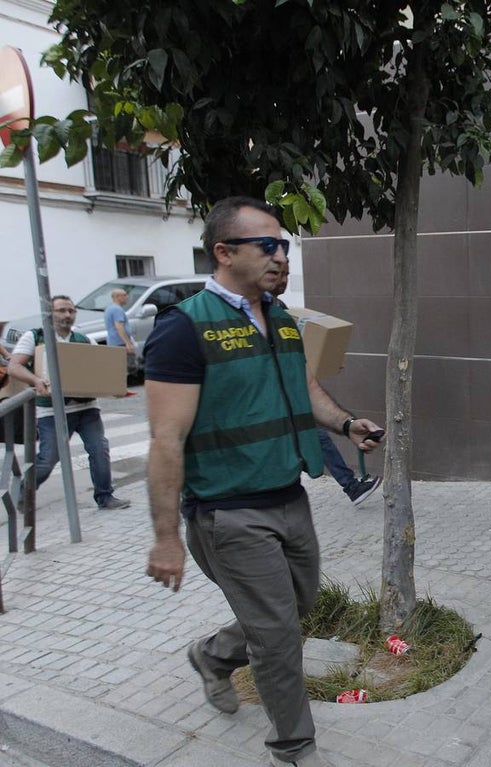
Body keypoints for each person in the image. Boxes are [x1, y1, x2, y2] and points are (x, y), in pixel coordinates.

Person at [142, 196, 384, 767]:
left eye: (285, 247)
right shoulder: (182, 330)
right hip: (228, 512)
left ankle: (214, 655)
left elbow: (306, 393)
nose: (282, 257)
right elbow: (165, 441)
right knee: (278, 637)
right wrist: (166, 537)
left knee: (296, 608)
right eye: (268, 245)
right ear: (224, 253)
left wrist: (348, 425)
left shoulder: (280, 319)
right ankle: (294, 748)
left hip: (289, 497)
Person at [4, 295, 131, 510]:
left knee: (99, 450)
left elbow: (100, 369)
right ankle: (23, 492)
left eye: (71, 311)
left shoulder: (83, 339)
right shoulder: (34, 337)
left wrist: (115, 389)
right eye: (62, 310)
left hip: (87, 408)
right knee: (48, 459)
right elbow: (14, 367)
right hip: (51, 411)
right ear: (49, 313)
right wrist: (35, 380)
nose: (67, 315)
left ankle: (105, 496)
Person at [270, 262, 381, 506]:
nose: (283, 278)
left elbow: (299, 359)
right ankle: (351, 486)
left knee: (317, 434)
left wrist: (347, 423)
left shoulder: (280, 314)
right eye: (278, 272)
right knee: (315, 435)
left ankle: (351, 486)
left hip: (291, 395)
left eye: (287, 273)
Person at [103, 288, 137, 382]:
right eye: (125, 295)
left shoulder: (110, 308)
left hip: (114, 342)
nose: (127, 297)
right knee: (127, 367)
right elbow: (119, 326)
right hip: (120, 342)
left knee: (119, 367)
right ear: (118, 297)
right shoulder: (117, 309)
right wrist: (128, 343)